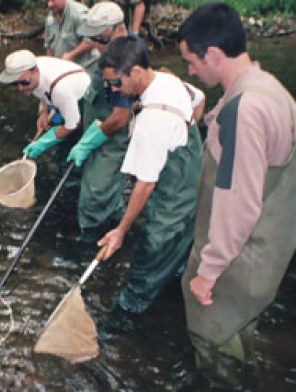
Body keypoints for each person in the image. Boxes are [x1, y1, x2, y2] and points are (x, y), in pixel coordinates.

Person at [177, 3, 296, 390]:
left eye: (191, 61)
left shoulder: (243, 111)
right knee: (240, 332)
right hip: (266, 259)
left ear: (213, 54)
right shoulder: (269, 88)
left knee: (212, 344)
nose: (190, 71)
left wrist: (207, 273)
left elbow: (237, 201)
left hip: (237, 261)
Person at [95, 36, 204, 333]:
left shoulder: (151, 123)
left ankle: (121, 322)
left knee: (149, 256)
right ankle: (173, 293)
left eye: (117, 83)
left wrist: (120, 232)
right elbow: (200, 100)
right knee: (179, 251)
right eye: (108, 85)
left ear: (136, 72)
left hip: (174, 198)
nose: (114, 90)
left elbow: (144, 185)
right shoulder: (168, 80)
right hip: (194, 179)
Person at [66, 1, 140, 242]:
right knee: (102, 189)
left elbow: (119, 117)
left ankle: (92, 246)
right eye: (94, 40)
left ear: (120, 30)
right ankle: (116, 221)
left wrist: (90, 141)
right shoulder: (109, 51)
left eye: (102, 40)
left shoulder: (127, 62)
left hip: (112, 137)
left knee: (93, 199)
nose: (97, 47)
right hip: (99, 129)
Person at [0, 49, 90, 162]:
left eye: (24, 83)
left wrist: (43, 142)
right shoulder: (32, 71)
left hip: (85, 100)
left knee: (74, 147)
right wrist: (43, 112)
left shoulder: (60, 90)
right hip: (62, 97)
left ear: (35, 71)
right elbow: (42, 91)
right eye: (15, 83)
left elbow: (73, 124)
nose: (20, 88)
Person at [44, 0, 100, 69]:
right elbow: (48, 46)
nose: (50, 4)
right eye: (48, 1)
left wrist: (72, 55)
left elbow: (92, 40)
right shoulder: (50, 17)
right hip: (62, 69)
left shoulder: (80, 14)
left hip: (85, 67)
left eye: (53, 0)